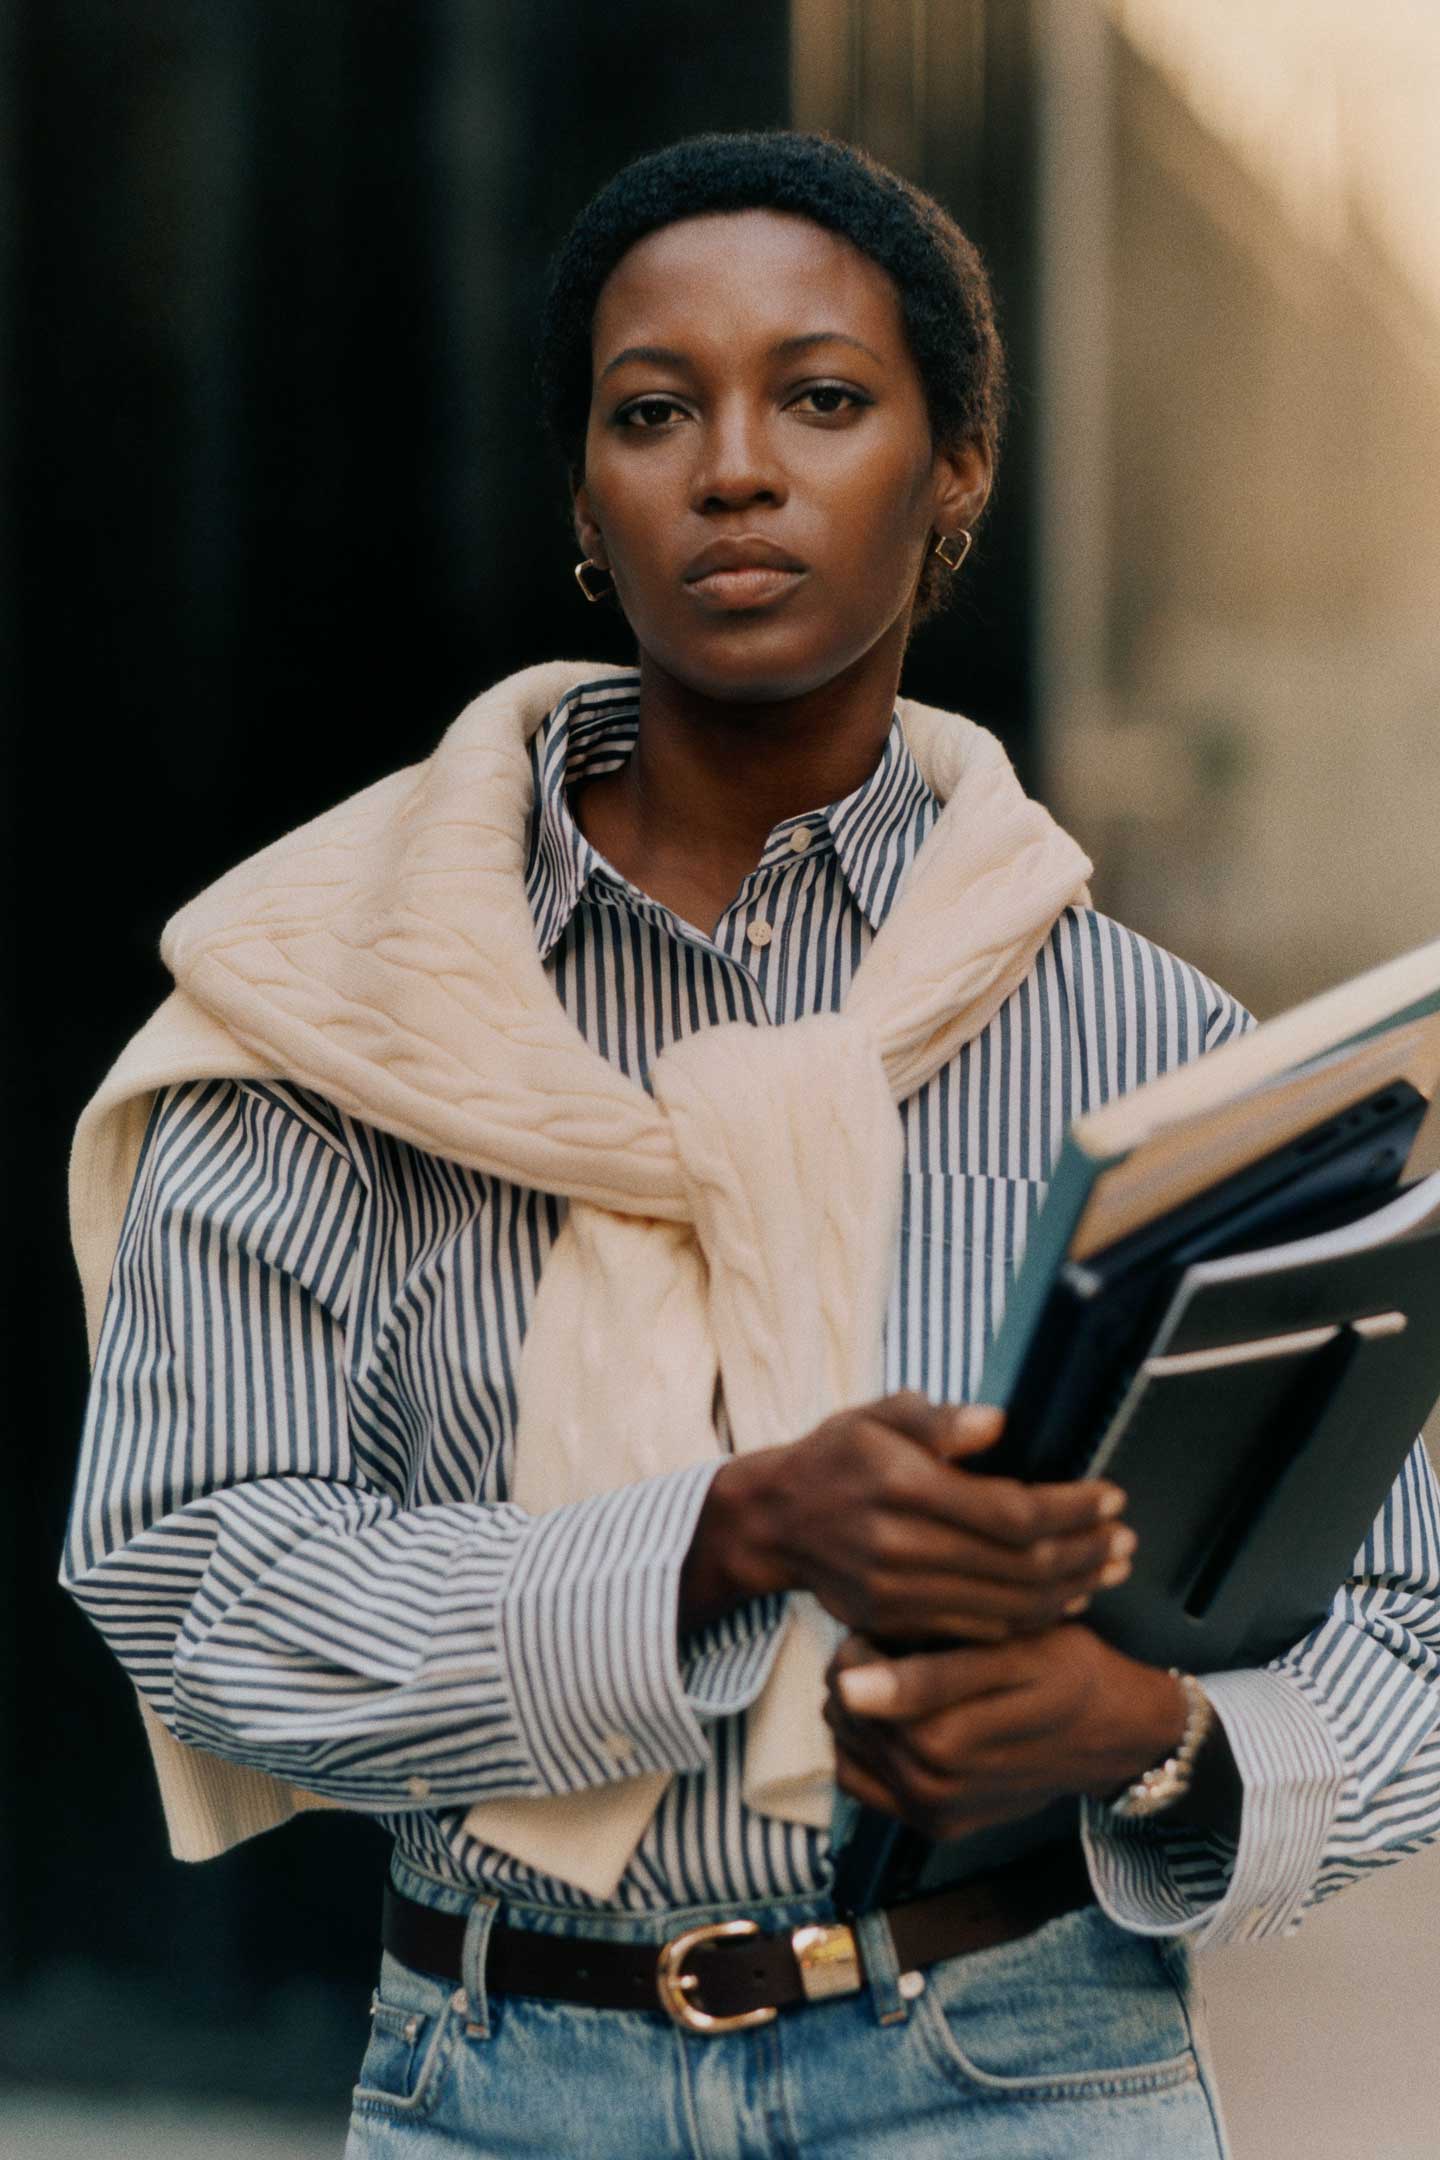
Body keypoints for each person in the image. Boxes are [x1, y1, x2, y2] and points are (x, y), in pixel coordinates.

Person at [62, 131, 1440, 2160]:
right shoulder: (326, 1020)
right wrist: (730, 1533)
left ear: (954, 468)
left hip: (1023, 2067)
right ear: (584, 499)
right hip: (496, 2080)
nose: (732, 465)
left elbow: (1406, 1625)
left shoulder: (1156, 1052)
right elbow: (194, 1586)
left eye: (820, 396)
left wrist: (1157, 1735)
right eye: (651, 411)